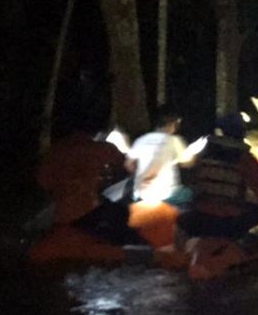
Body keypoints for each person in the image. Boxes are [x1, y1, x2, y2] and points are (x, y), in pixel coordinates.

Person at [37, 107, 139, 245]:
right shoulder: (103, 149)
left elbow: (44, 183)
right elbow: (132, 168)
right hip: (91, 214)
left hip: (61, 215)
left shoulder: (55, 151)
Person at [177, 113, 258, 241]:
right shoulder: (244, 158)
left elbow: (190, 179)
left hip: (199, 215)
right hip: (229, 221)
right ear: (241, 132)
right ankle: (238, 244)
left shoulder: (202, 154)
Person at [125, 105, 194, 208]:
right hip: (167, 195)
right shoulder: (174, 140)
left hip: (142, 194)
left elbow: (128, 165)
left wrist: (142, 176)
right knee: (189, 192)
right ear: (173, 124)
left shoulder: (141, 140)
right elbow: (188, 163)